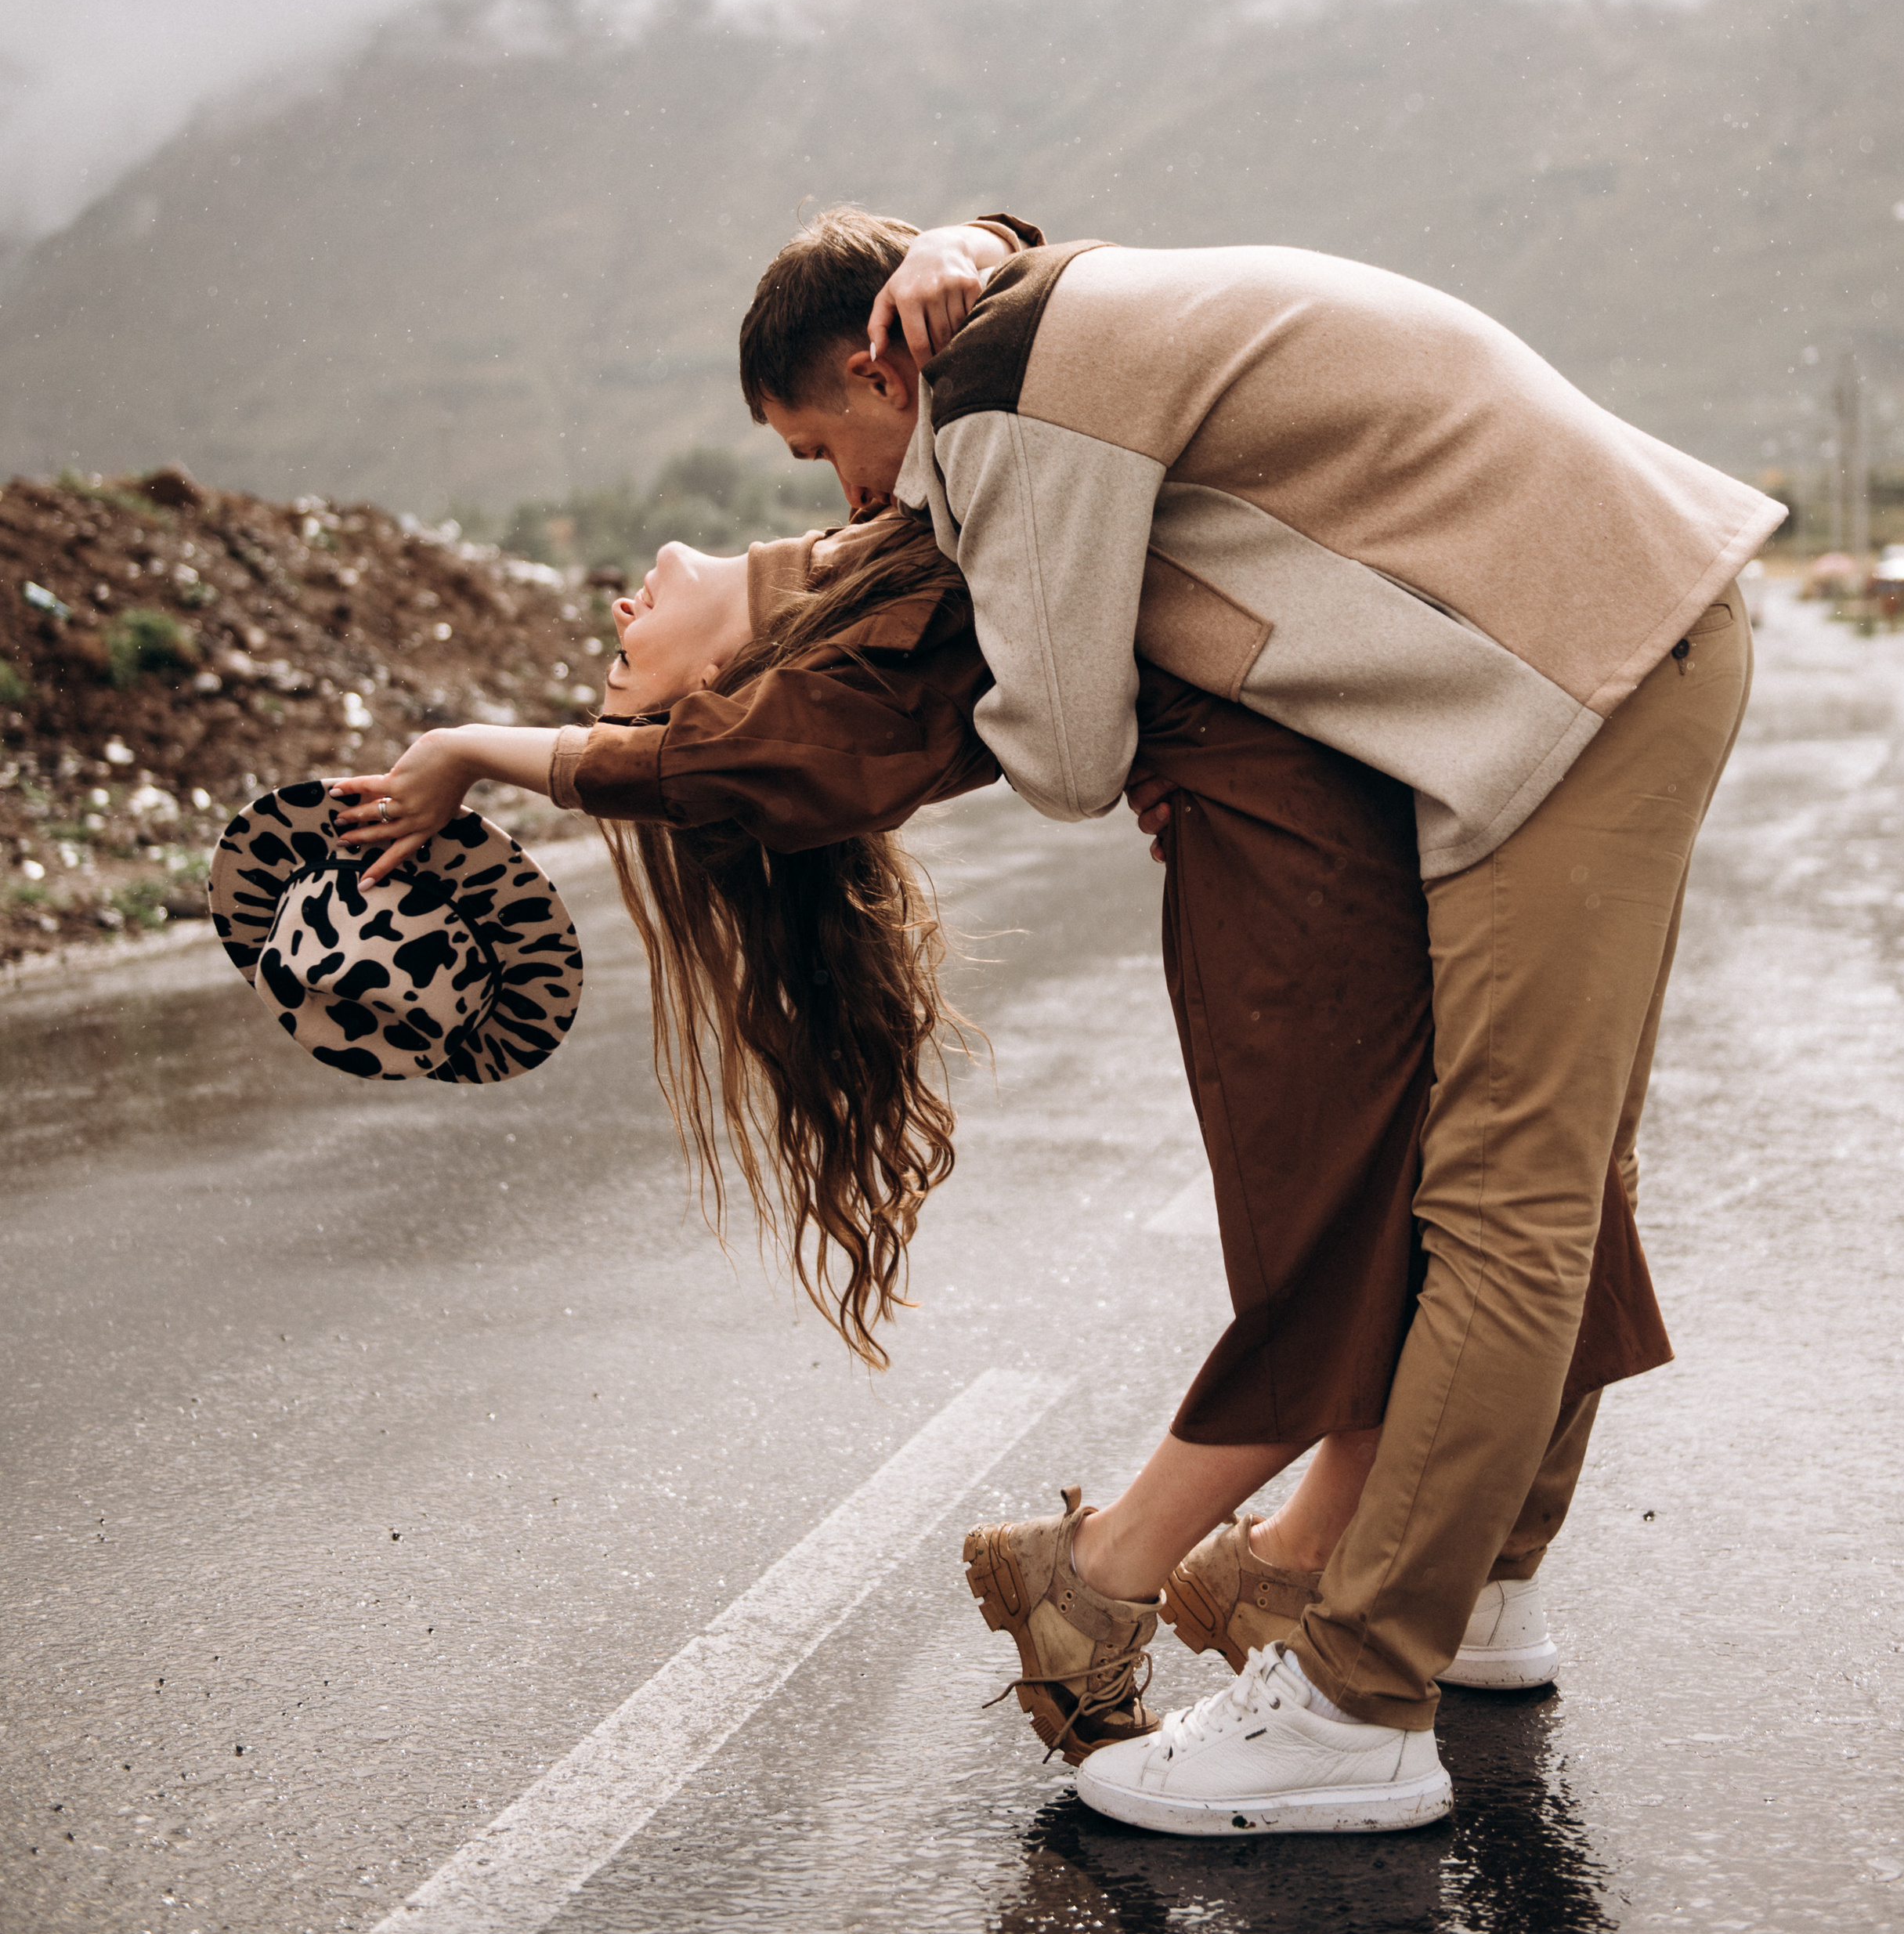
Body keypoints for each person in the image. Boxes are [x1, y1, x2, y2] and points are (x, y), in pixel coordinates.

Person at [331, 502, 1666, 1834]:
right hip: (1315, 843)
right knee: (1430, 1234)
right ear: (728, 690)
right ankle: (1159, 1566)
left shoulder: (888, 529)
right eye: (629, 684)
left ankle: (1289, 1560)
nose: (618, 622)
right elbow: (739, 758)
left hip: (1377, 794)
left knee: (1497, 1214)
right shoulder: (853, 654)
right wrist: (475, 750)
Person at [735, 207, 1777, 1836]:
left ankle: (1356, 1705)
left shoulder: (995, 384)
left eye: (824, 449)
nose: (854, 495)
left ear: (877, 371)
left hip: (1570, 673)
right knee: (1557, 1176)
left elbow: (1063, 749)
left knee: (1503, 1200)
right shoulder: (1039, 309)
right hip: (1616, 633)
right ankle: (1475, 1585)